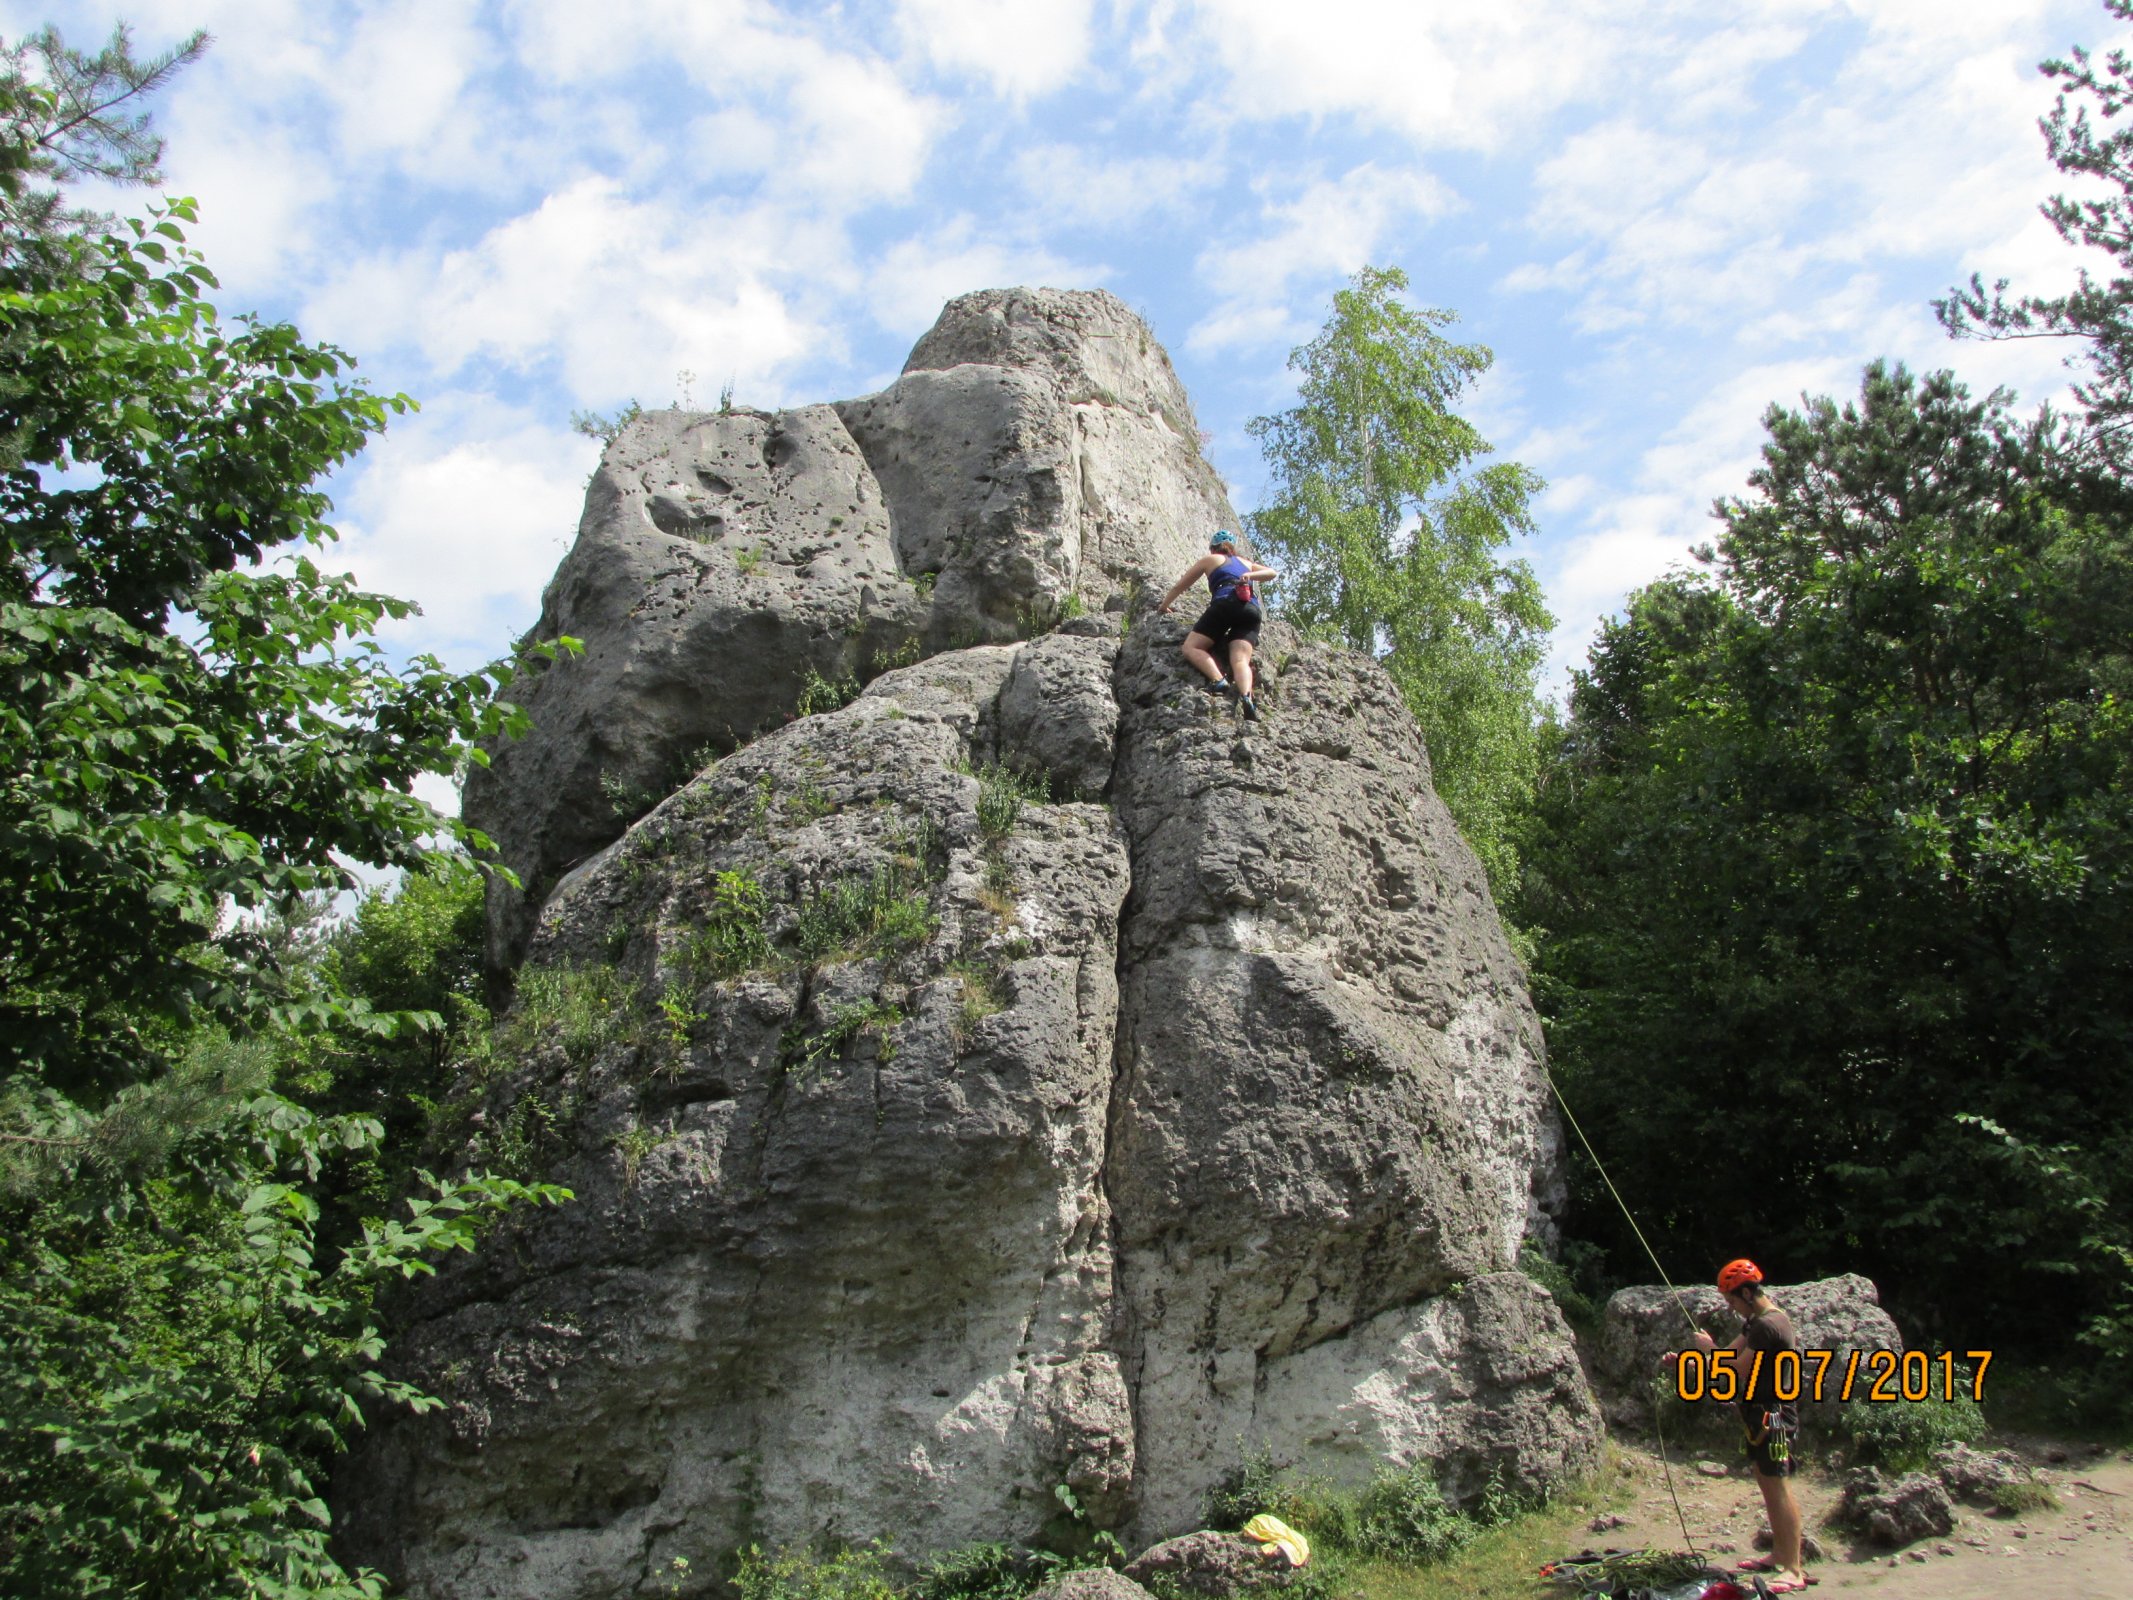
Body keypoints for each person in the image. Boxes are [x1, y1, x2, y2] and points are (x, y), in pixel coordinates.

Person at [1666, 1259, 1809, 1593]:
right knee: (1765, 1478)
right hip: (1758, 1414)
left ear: (1746, 1293)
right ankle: (1779, 1554)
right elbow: (1726, 1358)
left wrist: (1709, 1350)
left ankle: (1794, 1569)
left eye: (1731, 1300)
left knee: (1778, 1483)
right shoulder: (1754, 1323)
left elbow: (1738, 1369)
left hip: (1775, 1415)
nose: (1731, 1307)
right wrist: (1690, 1360)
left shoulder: (1768, 1326)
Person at [1156, 530, 1278, 722]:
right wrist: (1249, 574)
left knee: (1191, 647)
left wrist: (1164, 606)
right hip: (1251, 610)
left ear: (1213, 548)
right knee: (1241, 660)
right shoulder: (1245, 562)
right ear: (1232, 548)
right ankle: (1247, 697)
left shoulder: (1210, 559)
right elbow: (1272, 573)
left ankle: (1218, 680)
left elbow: (1181, 586)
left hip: (1226, 603)